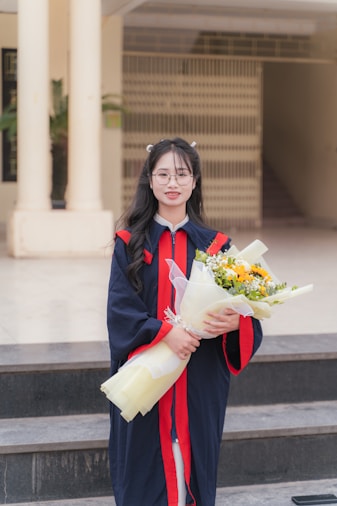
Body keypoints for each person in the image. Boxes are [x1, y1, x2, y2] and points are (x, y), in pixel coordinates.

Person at [106, 137, 263, 506]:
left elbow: (247, 314)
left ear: (195, 182)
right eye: (163, 174)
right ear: (149, 180)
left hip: (199, 378)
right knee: (145, 468)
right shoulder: (129, 244)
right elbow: (120, 310)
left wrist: (235, 323)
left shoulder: (216, 246)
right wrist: (165, 334)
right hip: (148, 373)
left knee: (192, 463)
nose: (172, 183)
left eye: (181, 174)